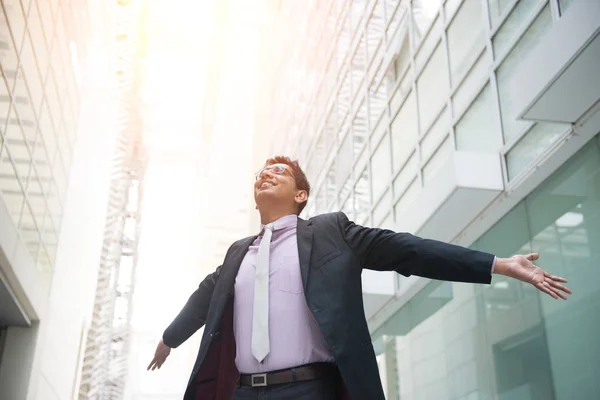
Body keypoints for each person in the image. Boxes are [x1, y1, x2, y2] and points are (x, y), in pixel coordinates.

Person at [148, 156, 571, 400]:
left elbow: (410, 250)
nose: (267, 172)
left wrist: (495, 263)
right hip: (244, 393)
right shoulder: (238, 254)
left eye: (279, 169)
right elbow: (205, 297)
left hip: (310, 391)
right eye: (262, 170)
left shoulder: (332, 232)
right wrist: (169, 340)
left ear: (300, 195)